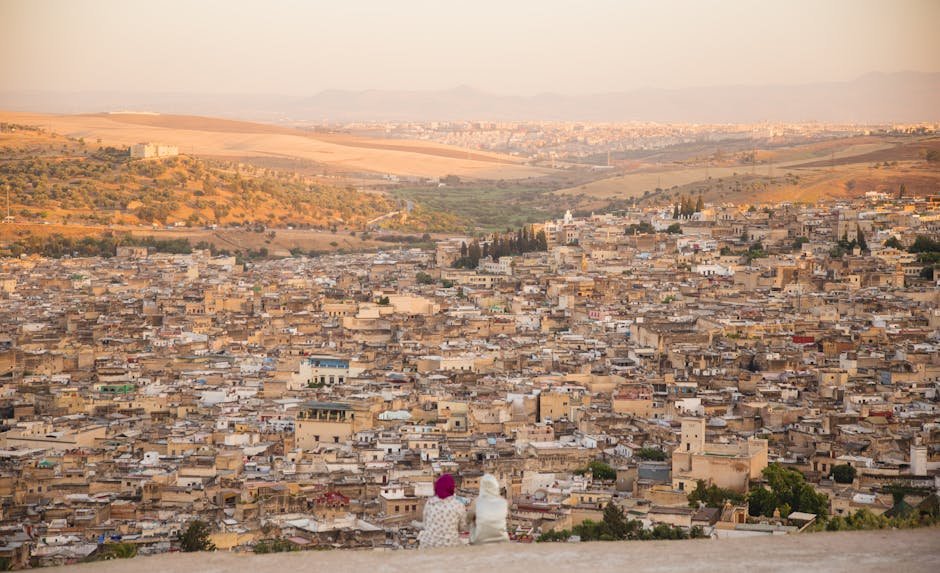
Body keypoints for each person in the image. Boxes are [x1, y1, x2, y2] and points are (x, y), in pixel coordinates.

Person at [417, 473, 466, 549]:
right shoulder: (458, 505)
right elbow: (463, 527)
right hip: (450, 545)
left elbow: (425, 524)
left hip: (428, 544)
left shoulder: (430, 503)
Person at [468, 473, 509, 545]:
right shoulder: (503, 502)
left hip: (481, 540)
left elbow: (468, 519)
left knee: (473, 522)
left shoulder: (476, 502)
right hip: (502, 540)